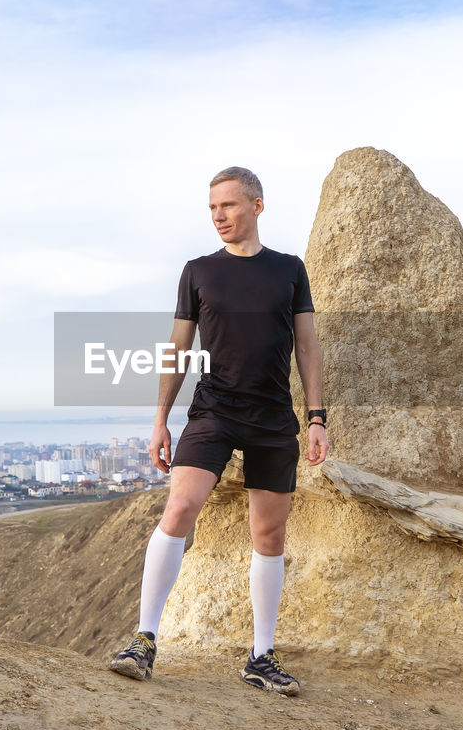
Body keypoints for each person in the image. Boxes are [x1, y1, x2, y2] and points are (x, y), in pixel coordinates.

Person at [107, 166, 329, 696]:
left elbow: (307, 346)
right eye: (212, 209)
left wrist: (317, 418)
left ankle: (261, 655)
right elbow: (177, 347)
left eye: (227, 206)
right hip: (214, 409)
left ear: (256, 205)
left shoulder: (289, 270)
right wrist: (160, 419)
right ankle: (144, 639)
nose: (218, 217)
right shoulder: (198, 271)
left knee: (269, 535)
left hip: (273, 415)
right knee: (180, 508)